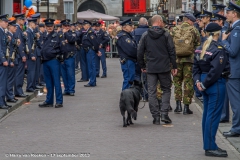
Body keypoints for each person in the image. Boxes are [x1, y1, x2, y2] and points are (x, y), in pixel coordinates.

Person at [193, 23, 229, 157]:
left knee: (207, 115)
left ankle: (208, 144)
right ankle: (210, 146)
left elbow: (195, 68)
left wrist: (198, 82)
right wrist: (205, 84)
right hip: (214, 84)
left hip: (203, 81)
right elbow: (216, 71)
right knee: (213, 116)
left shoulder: (199, 48)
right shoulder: (218, 49)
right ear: (217, 33)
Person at [137, 15, 177, 125]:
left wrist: (142, 66)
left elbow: (140, 52)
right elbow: (172, 51)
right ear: (159, 21)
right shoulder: (166, 34)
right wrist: (174, 66)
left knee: (151, 92)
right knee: (166, 90)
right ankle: (164, 113)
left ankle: (155, 117)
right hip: (164, 67)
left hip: (151, 68)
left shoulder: (145, 35)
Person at [171, 13, 201, 115]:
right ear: (190, 21)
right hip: (189, 61)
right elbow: (198, 45)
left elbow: (170, 46)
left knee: (177, 82)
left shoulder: (174, 30)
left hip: (176, 61)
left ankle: (178, 105)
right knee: (188, 83)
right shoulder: (194, 30)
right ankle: (186, 107)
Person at [221, 2, 240, 137]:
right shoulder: (233, 28)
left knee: (236, 102)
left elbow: (233, 51)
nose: (226, 15)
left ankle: (236, 128)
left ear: (234, 14)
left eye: (228, 12)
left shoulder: (237, 30)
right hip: (235, 69)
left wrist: (224, 41)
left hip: (235, 70)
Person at [38, 18, 63, 108]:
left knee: (56, 81)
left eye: (51, 26)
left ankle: (59, 101)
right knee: (48, 82)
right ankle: (49, 101)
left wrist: (60, 58)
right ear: (45, 27)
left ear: (53, 26)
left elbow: (62, 48)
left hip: (54, 61)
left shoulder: (57, 36)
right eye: (47, 26)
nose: (49, 28)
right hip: (45, 61)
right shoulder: (43, 36)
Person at [116, 19, 138, 90]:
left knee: (130, 79)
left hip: (130, 60)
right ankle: (125, 97)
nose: (132, 27)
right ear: (125, 27)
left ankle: (127, 96)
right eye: (130, 25)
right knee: (128, 79)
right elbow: (131, 49)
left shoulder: (128, 35)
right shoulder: (123, 36)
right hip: (128, 60)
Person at [132, 17, 149, 101]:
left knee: (137, 76)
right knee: (146, 77)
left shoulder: (134, 32)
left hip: (136, 57)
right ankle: (146, 95)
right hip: (147, 57)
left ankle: (138, 94)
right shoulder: (149, 32)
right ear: (146, 23)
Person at [81, 20, 101, 87]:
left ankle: (92, 81)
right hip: (88, 50)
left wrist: (97, 50)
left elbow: (95, 43)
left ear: (88, 25)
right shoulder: (87, 32)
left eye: (84, 25)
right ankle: (92, 81)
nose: (83, 26)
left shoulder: (90, 32)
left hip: (90, 51)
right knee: (91, 66)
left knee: (91, 66)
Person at [59, 19, 77, 96]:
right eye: (65, 26)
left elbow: (72, 39)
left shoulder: (72, 33)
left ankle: (71, 89)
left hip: (70, 56)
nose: (66, 27)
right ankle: (66, 89)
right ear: (62, 26)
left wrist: (66, 34)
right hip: (62, 56)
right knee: (64, 74)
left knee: (70, 74)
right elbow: (58, 42)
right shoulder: (59, 33)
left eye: (68, 26)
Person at [13, 13, 27, 98]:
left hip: (19, 55)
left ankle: (19, 90)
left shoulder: (19, 29)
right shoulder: (18, 29)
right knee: (19, 74)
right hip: (19, 56)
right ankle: (18, 91)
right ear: (19, 20)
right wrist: (23, 55)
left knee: (20, 74)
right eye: (23, 20)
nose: (24, 21)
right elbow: (19, 44)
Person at [0, 14, 12, 109]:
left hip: (4, 60)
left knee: (4, 82)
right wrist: (3, 59)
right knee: (2, 83)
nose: (7, 23)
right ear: (0, 22)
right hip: (1, 62)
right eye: (5, 22)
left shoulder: (3, 32)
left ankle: (3, 101)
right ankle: (1, 102)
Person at [6, 20, 19, 103]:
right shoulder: (8, 36)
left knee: (12, 79)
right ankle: (9, 96)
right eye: (14, 26)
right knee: (9, 80)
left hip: (14, 59)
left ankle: (11, 95)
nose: (15, 28)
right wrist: (10, 60)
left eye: (16, 26)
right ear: (9, 27)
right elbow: (8, 50)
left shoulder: (13, 35)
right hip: (10, 59)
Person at [25, 18, 39, 92]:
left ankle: (32, 86)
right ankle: (29, 87)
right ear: (31, 24)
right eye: (34, 24)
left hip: (34, 54)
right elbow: (29, 44)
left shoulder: (32, 32)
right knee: (31, 71)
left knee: (34, 71)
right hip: (31, 55)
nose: (35, 25)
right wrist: (32, 55)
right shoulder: (28, 32)